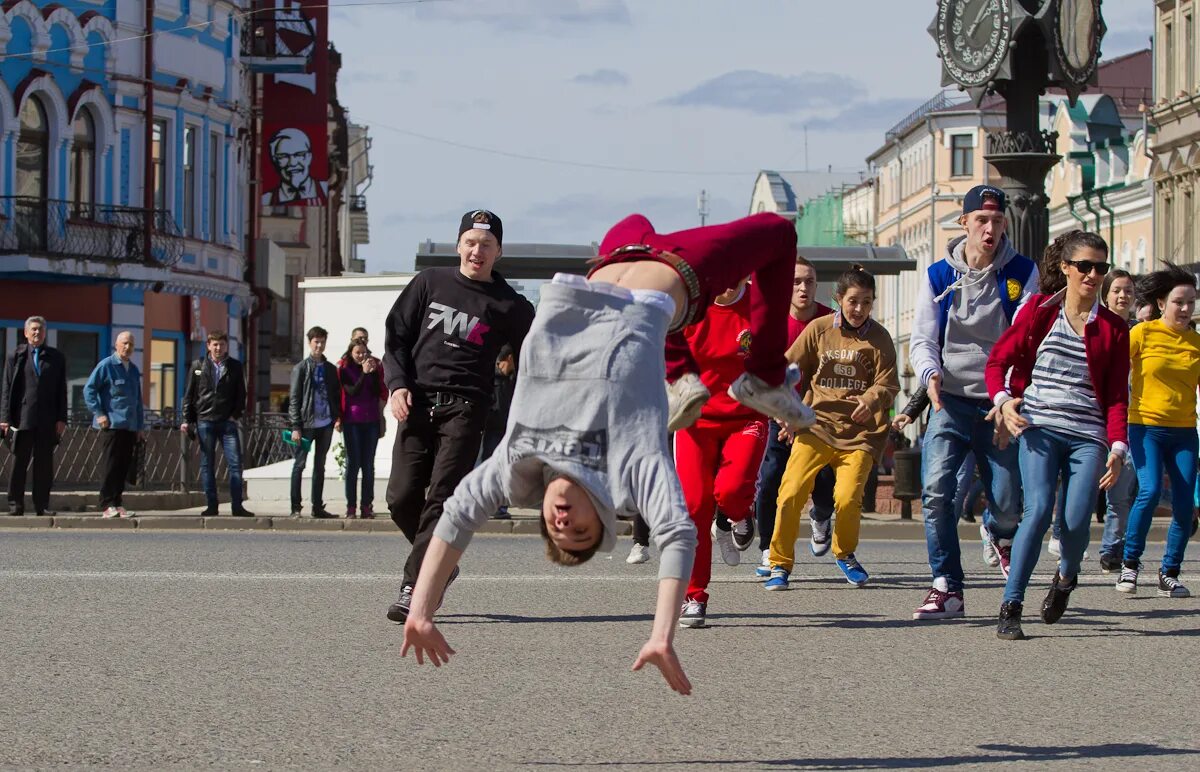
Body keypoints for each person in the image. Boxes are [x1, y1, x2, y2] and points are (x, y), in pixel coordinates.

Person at [401, 211, 811, 694]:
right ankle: (761, 377)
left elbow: (456, 517)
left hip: (609, 261)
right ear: (598, 511)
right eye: (580, 531)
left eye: (558, 531)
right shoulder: (628, 463)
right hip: (672, 276)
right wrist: (662, 635)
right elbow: (678, 533)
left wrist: (421, 611)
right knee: (780, 233)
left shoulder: (515, 464)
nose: (563, 523)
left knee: (634, 217)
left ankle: (680, 378)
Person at [382, 209, 536, 623]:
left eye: (486, 245)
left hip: (466, 410)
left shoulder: (510, 305)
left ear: (498, 251)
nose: (477, 251)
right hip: (416, 401)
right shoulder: (430, 282)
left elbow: (537, 358)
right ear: (458, 246)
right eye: (470, 242)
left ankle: (416, 586)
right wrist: (396, 384)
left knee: (441, 501)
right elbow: (395, 337)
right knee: (399, 498)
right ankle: (443, 561)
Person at [986, 230, 1129, 640]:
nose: (1092, 275)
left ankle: (1066, 577)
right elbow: (998, 362)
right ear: (1066, 268)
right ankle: (1011, 604)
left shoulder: (1114, 329)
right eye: (1084, 266)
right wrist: (1003, 401)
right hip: (1039, 425)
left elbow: (1118, 396)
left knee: (1076, 520)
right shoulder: (1038, 311)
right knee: (1039, 508)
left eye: (1100, 267)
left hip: (1089, 434)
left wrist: (1118, 446)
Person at [909, 185, 1039, 620]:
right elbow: (924, 339)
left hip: (997, 403)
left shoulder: (1022, 272)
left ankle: (998, 534)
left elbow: (1023, 341)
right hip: (950, 401)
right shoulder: (937, 275)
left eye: (998, 221)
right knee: (936, 494)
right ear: (963, 222)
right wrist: (929, 375)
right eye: (982, 220)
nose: (990, 229)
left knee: (1007, 502)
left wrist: (1007, 397)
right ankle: (947, 586)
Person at [765, 265, 899, 590]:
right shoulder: (818, 329)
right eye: (853, 301)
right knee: (791, 493)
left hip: (859, 436)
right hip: (817, 427)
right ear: (839, 299)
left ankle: (845, 553)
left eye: (867, 302)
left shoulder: (880, 338)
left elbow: (890, 384)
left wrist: (871, 398)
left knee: (848, 497)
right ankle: (779, 564)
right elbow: (787, 369)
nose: (859, 309)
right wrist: (785, 410)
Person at [669, 278, 769, 628]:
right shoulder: (690, 304)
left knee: (730, 490)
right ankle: (694, 595)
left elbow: (782, 358)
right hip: (696, 419)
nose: (729, 280)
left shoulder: (762, 303)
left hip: (747, 415)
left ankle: (737, 514)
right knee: (695, 506)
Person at [1117, 263, 1200, 598]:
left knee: (1184, 507)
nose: (1185, 309)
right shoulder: (1142, 333)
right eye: (1179, 302)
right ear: (1162, 303)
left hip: (1183, 432)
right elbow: (1114, 371)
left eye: (1191, 303)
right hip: (1145, 426)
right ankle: (1129, 565)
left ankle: (1169, 572)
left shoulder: (1196, 342)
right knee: (1149, 492)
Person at [1047, 268, 1137, 572]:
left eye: (1129, 291)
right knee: (1079, 485)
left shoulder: (1139, 331)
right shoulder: (1095, 325)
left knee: (1120, 490)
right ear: (1106, 295)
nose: (1123, 296)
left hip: (1131, 419)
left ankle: (1112, 548)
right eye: (1117, 291)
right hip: (1092, 419)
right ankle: (1062, 534)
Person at [750, 256, 835, 577]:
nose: (803, 287)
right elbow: (763, 374)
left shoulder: (831, 322)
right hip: (779, 417)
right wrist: (784, 414)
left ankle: (821, 516)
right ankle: (768, 550)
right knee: (770, 480)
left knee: (826, 482)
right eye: (796, 281)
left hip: (823, 418)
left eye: (809, 281)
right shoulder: (771, 323)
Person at [180, 330, 252, 517]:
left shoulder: (235, 366)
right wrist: (187, 420)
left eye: (221, 344)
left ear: (226, 346)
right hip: (205, 421)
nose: (218, 348)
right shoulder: (198, 365)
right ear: (208, 346)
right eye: (215, 344)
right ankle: (212, 505)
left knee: (235, 464)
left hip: (227, 422)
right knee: (207, 464)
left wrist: (234, 416)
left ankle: (237, 505)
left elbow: (241, 395)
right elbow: (189, 395)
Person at [1, 316, 67, 516]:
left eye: (40, 330)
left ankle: (41, 506)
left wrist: (61, 418)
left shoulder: (55, 357)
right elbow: (6, 388)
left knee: (44, 465)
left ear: (45, 333)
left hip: (47, 419)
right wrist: (4, 418)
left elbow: (61, 390)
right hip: (23, 418)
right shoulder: (16, 355)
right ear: (26, 332)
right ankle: (15, 505)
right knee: (19, 463)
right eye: (34, 330)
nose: (37, 333)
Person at [83, 331, 145, 518]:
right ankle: (106, 504)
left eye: (131, 344)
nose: (128, 347)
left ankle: (118, 503)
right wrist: (99, 413)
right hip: (111, 424)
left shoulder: (133, 370)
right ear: (116, 345)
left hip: (129, 425)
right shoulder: (107, 365)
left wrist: (140, 427)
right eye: (125, 343)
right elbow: (89, 390)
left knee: (123, 467)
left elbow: (137, 400)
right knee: (111, 466)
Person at [288, 326, 342, 518]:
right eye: (316, 342)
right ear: (309, 343)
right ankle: (295, 507)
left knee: (320, 465)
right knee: (299, 464)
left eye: (322, 342)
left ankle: (317, 507)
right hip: (306, 425)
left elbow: (335, 395)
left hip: (325, 423)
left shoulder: (330, 369)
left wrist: (336, 417)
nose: (319, 345)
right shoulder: (301, 368)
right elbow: (294, 398)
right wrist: (296, 426)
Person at [338, 339, 385, 519]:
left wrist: (372, 373)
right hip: (353, 421)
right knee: (353, 464)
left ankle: (366, 505)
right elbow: (352, 391)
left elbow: (376, 390)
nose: (361, 356)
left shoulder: (373, 368)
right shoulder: (345, 369)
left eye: (364, 353)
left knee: (368, 465)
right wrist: (364, 374)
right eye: (358, 353)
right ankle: (351, 506)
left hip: (371, 419)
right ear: (351, 353)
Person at [478, 345, 517, 520]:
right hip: (492, 430)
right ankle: (490, 505)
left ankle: (499, 505)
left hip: (506, 430)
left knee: (504, 468)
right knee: (488, 467)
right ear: (508, 359)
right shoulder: (491, 377)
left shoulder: (513, 379)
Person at [261, 128, 328, 206]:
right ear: (274, 160)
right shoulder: (265, 199)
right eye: (283, 156)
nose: (292, 163)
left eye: (299, 155)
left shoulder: (325, 189)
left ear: (309, 157)